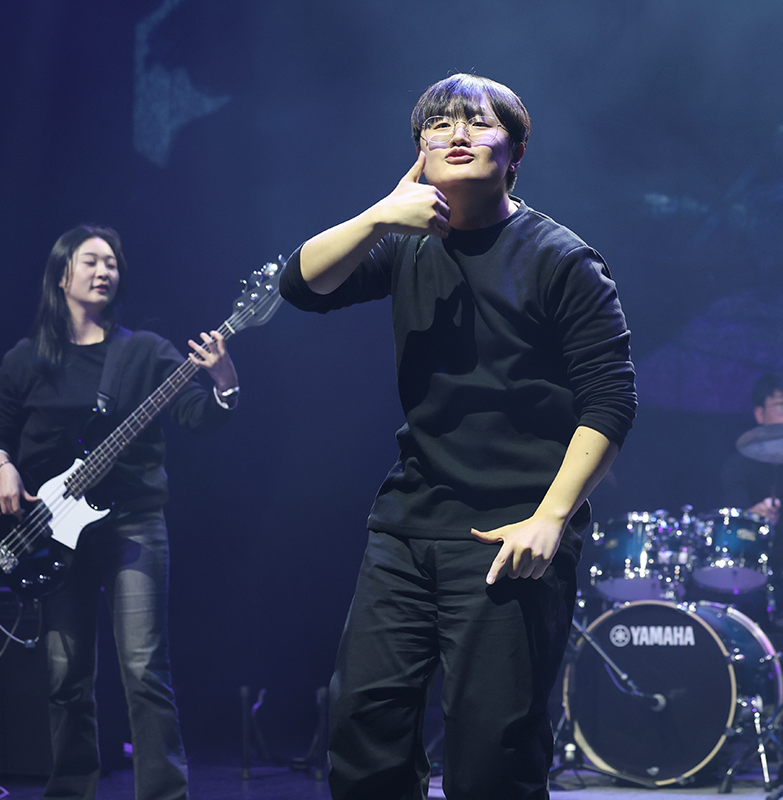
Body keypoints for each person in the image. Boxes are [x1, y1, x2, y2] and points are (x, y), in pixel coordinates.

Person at [279, 73, 637, 799]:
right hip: (409, 525)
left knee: (490, 755)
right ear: (417, 153)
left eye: (477, 123)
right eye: (437, 126)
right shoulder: (406, 244)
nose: (457, 134)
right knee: (363, 731)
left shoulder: (559, 256)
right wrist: (382, 212)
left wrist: (551, 519)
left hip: (514, 533)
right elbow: (301, 285)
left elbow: (611, 400)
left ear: (516, 153)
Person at [0, 224, 240, 800]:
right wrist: (5, 469)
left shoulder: (143, 350)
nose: (105, 271)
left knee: (145, 669)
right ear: (62, 274)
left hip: (133, 523)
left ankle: (165, 795)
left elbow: (200, 416)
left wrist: (223, 381)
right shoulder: (26, 359)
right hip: (46, 532)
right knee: (65, 676)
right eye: (92, 261)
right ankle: (71, 790)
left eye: (113, 264)